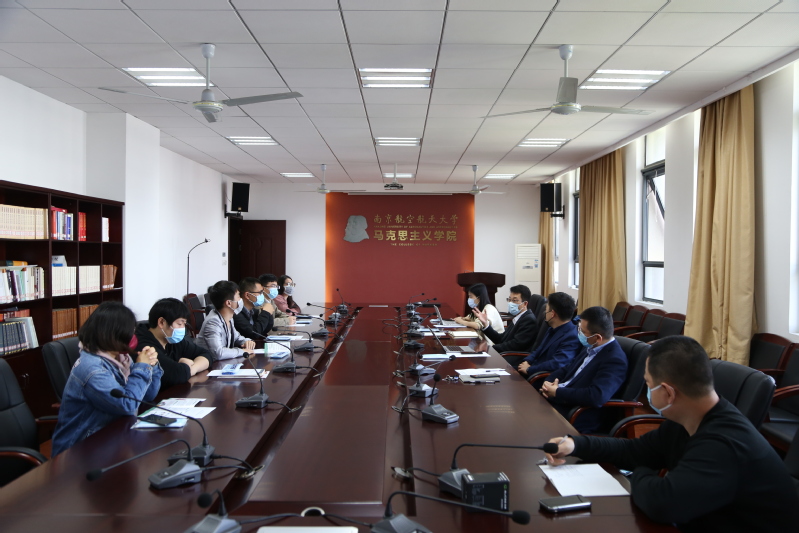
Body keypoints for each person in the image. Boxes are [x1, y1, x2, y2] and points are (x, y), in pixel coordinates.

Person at [545, 336, 799, 531]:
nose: (646, 390)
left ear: (668, 392)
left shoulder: (723, 443)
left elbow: (663, 503)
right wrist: (576, 445)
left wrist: (639, 472)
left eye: (647, 383)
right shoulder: (688, 418)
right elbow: (634, 450)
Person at [52, 302, 162, 456]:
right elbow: (127, 405)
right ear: (114, 334)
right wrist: (142, 367)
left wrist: (152, 366)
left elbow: (147, 395)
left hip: (112, 438)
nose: (133, 338)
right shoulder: (92, 369)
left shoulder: (121, 359)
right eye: (130, 332)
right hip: (79, 450)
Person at [539, 306, 627, 434]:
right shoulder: (591, 346)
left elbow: (596, 396)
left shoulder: (615, 360)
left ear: (598, 337)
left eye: (582, 331)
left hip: (575, 413)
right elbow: (567, 368)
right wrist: (548, 382)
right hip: (559, 401)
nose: (578, 333)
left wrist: (557, 392)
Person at [134, 298, 213, 391]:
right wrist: (184, 365)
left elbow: (206, 354)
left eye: (184, 324)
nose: (183, 328)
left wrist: (193, 368)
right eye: (179, 324)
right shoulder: (144, 346)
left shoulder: (171, 339)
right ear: (161, 322)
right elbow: (176, 374)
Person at [516, 292, 581, 377]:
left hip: (541, 377)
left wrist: (529, 369)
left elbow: (557, 363)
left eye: (546, 310)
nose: (544, 313)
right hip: (532, 369)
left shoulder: (572, 336)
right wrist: (527, 361)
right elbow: (539, 349)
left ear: (552, 314)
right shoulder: (551, 328)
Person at [196, 280, 256, 360]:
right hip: (210, 364)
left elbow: (237, 337)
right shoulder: (213, 321)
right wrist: (242, 351)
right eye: (238, 296)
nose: (241, 299)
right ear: (228, 303)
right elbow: (219, 353)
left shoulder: (229, 318)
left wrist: (246, 341)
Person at [473, 284, 536, 353]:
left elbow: (515, 345)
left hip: (514, 356)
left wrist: (489, 348)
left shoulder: (529, 320)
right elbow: (501, 339)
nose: (510, 303)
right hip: (506, 353)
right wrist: (485, 324)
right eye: (509, 300)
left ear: (525, 304)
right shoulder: (518, 317)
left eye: (514, 300)